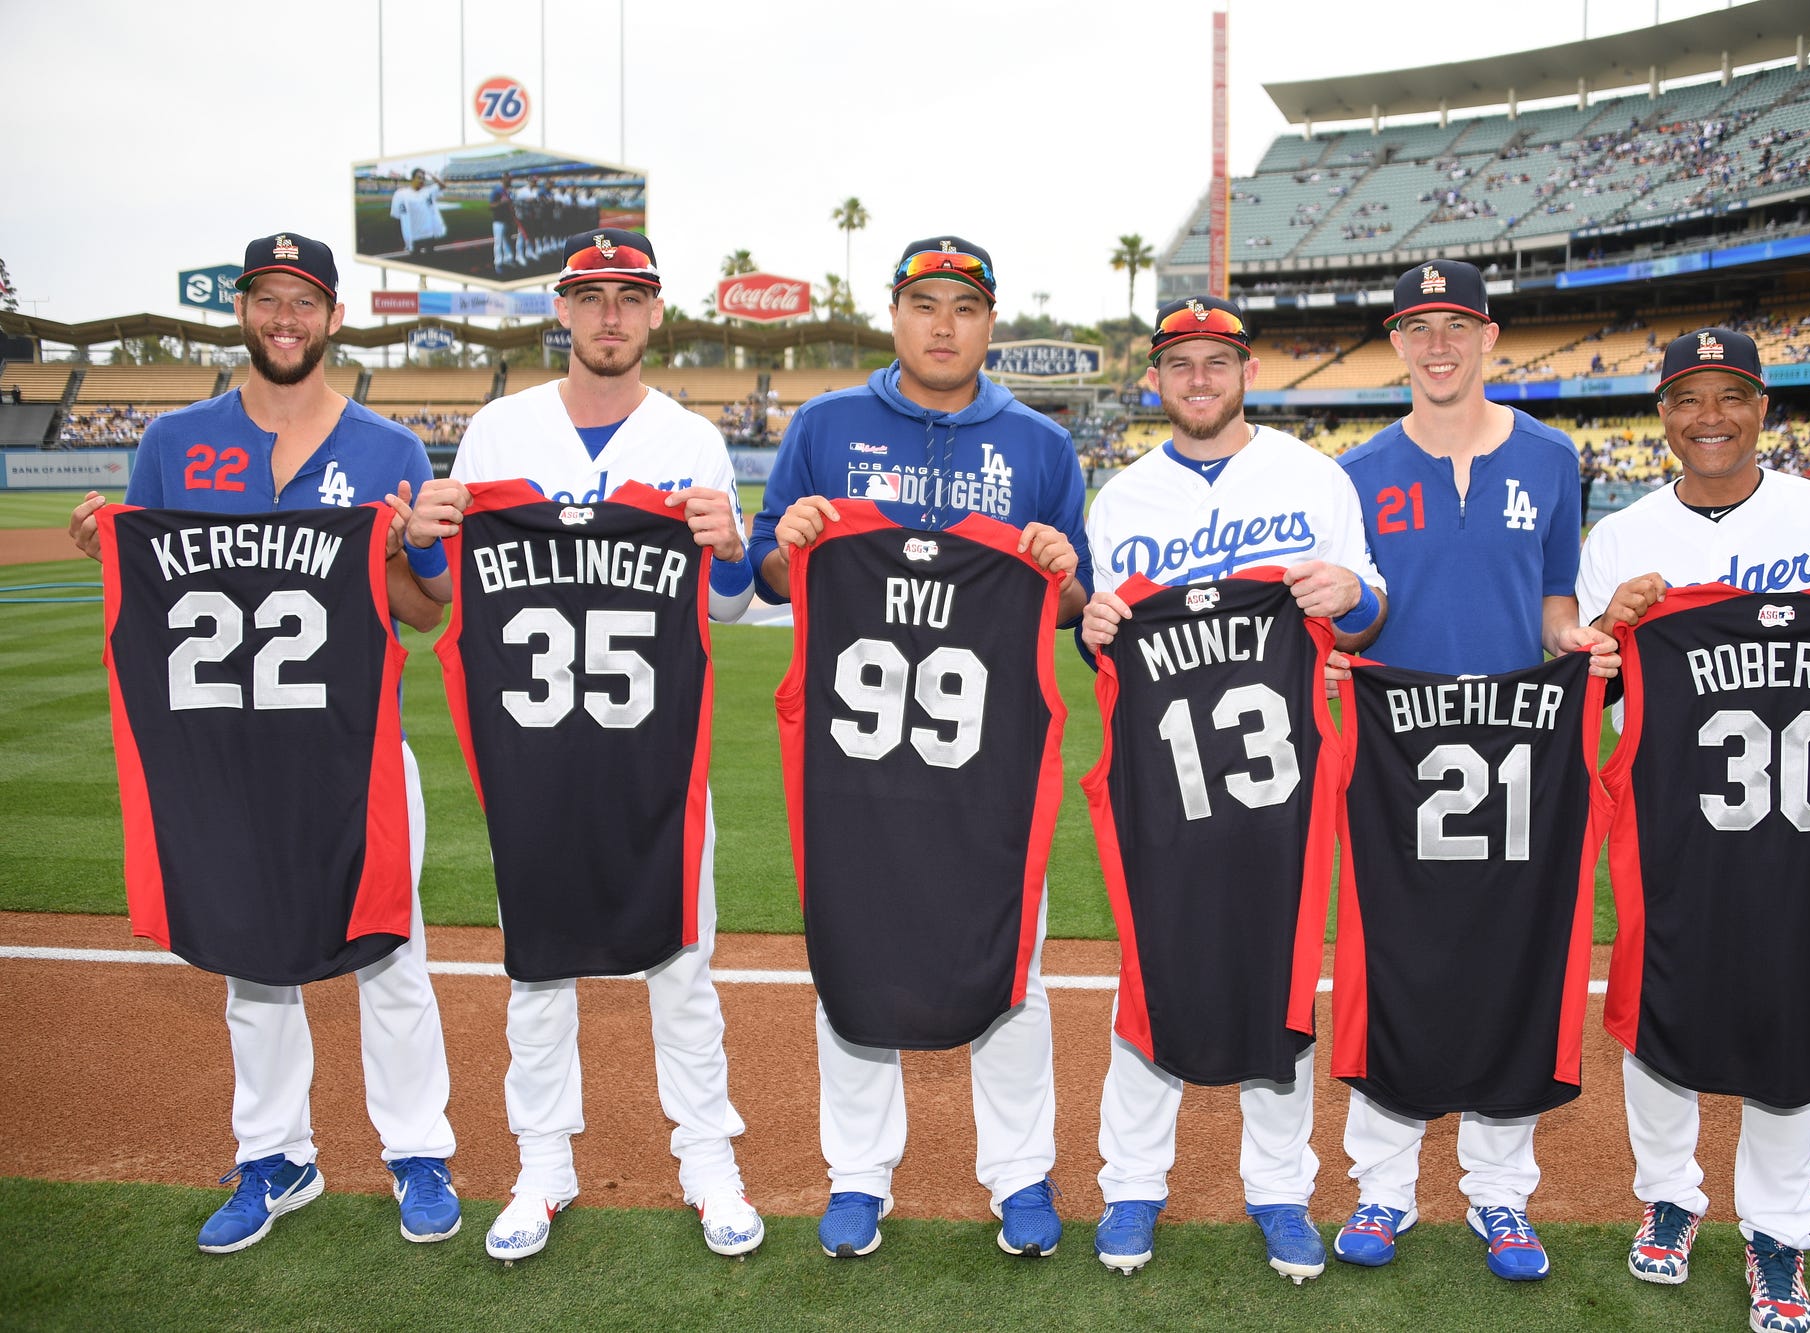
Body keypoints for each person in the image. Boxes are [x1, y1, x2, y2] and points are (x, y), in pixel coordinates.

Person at [67, 232, 461, 1253]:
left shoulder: (389, 449)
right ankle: (274, 1154)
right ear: (243, 312)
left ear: (333, 318)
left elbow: (421, 612)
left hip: (356, 747)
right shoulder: (172, 443)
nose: (284, 319)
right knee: (250, 959)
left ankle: (418, 1148)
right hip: (230, 755)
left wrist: (409, 547)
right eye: (265, 300)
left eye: (303, 302)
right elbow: (151, 588)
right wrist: (104, 539)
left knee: (392, 952)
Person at [1578, 328, 1810, 1333]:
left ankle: (1778, 1232)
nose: (1709, 416)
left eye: (1729, 396)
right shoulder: (1619, 537)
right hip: (1675, 820)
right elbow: (1597, 686)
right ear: (1659, 413)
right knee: (1659, 1011)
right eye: (1687, 398)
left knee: (1797, 1010)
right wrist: (1611, 631)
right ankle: (1667, 1194)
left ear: (1761, 407)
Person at [405, 228, 763, 1263]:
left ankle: (707, 1159)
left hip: (654, 753)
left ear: (654, 314)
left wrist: (729, 545)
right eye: (591, 296)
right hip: (535, 752)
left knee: (682, 961)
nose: (610, 315)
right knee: (536, 971)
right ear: (561, 311)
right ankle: (542, 1164)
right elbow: (442, 596)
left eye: (630, 297)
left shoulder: (691, 441)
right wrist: (425, 538)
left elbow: (730, 606)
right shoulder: (497, 433)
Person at [748, 235, 1089, 1260]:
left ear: (991, 322)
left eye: (965, 307)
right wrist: (791, 543)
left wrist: (1058, 567)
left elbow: (1072, 607)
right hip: (854, 750)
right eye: (925, 304)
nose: (944, 325)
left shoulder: (1038, 445)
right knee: (851, 949)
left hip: (988, 750)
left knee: (1009, 960)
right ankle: (857, 1175)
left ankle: (1020, 1174)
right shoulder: (825, 423)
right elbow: (767, 574)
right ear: (893, 313)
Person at [1077, 295, 1386, 1282]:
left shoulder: (1312, 478)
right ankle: (1131, 1183)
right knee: (1149, 974)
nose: (1199, 379)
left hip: (1282, 781)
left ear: (1245, 371)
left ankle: (1278, 1190)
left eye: (1216, 361)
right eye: (1180, 364)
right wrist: (1092, 630)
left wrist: (1354, 598)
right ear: (1156, 381)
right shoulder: (1119, 500)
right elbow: (1115, 664)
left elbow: (1369, 607)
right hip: (1162, 785)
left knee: (1276, 975)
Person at [1329, 259, 1617, 1281]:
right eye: (1416, 328)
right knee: (1391, 953)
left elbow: (1550, 606)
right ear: (1395, 343)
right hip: (1397, 754)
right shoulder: (1356, 472)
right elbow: (1349, 617)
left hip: (1515, 750)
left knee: (1511, 953)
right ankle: (1381, 1186)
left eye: (1454, 326)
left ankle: (1499, 1196)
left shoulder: (1547, 458)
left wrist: (1583, 642)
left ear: (1488, 336)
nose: (1436, 345)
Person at [390, 168, 446, 256]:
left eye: (423, 178)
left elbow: (443, 186)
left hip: (429, 234)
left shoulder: (428, 191)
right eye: (419, 178)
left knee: (431, 259)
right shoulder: (402, 194)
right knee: (416, 260)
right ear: (412, 179)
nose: (421, 180)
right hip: (414, 236)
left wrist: (432, 176)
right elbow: (396, 216)